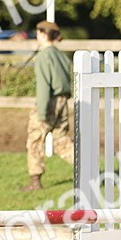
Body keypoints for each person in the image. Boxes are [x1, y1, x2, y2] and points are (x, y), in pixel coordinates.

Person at [20, 20, 74, 191]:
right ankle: (87, 169)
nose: (36, 36)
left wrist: (42, 112)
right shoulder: (61, 55)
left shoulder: (43, 56)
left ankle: (35, 181)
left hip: (48, 101)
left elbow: (43, 85)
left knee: (35, 140)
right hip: (63, 101)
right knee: (62, 140)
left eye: (38, 33)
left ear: (43, 34)